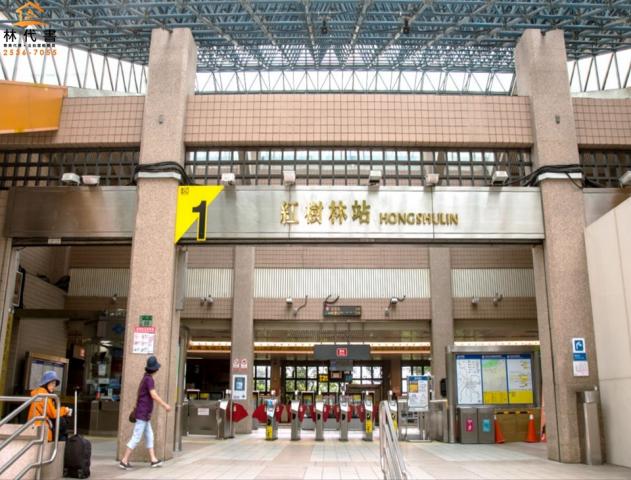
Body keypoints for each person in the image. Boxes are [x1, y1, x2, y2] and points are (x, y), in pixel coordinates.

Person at [119, 356, 171, 470]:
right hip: (142, 414)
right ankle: (124, 460)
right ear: (155, 369)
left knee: (149, 436)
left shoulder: (146, 378)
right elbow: (153, 395)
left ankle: (153, 459)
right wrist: (165, 405)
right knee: (136, 437)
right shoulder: (149, 379)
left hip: (144, 414)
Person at [27, 370, 72, 441]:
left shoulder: (40, 393)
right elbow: (53, 414)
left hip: (37, 428)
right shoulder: (43, 394)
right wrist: (65, 410)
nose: (53, 386)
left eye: (55, 384)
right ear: (46, 383)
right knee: (62, 434)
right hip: (41, 429)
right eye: (52, 383)